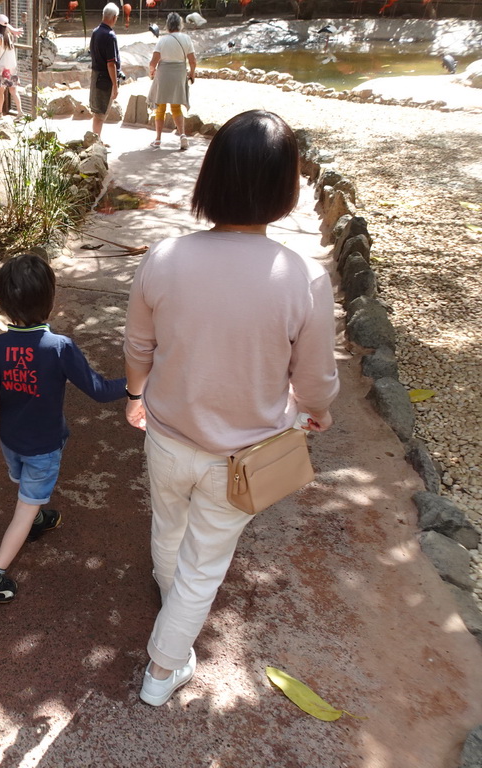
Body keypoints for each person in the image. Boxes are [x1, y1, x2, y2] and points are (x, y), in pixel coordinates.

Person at [122, 110, 339, 705]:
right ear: (284, 189)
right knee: (205, 562)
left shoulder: (164, 257)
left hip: (167, 434)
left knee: (169, 530)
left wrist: (136, 396)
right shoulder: (303, 279)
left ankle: (174, 612)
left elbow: (139, 346)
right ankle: (162, 670)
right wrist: (315, 410)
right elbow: (316, 379)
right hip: (243, 457)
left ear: (210, 179)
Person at [0, 253, 127, 608]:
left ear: (5, 305)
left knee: (27, 489)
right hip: (42, 448)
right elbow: (100, 391)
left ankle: (39, 517)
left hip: (10, 443)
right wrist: (136, 385)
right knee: (22, 511)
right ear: (50, 300)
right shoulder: (59, 348)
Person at [147, 12, 197, 150]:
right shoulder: (186, 39)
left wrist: (152, 72)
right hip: (179, 75)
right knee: (176, 107)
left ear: (168, 25)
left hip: (163, 76)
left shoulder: (163, 40)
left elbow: (153, 62)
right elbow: (192, 61)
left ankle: (158, 139)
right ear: (180, 24)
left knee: (160, 107)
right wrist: (192, 75)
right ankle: (182, 136)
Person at [88, 4, 121, 139]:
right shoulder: (110, 36)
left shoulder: (95, 32)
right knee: (100, 113)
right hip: (105, 78)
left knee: (98, 112)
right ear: (114, 18)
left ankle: (97, 139)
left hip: (96, 75)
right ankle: (96, 141)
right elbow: (111, 64)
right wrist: (115, 84)